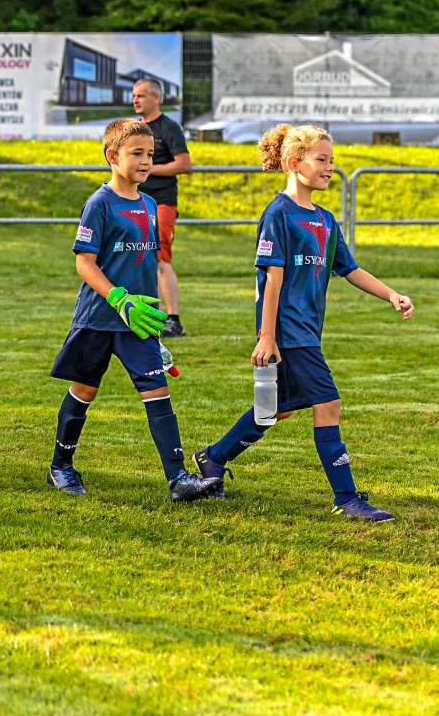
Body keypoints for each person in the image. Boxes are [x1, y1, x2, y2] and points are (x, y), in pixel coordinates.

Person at [193, 124, 413, 521]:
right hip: (289, 332)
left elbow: (349, 268)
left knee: (277, 410)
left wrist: (391, 294)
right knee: (328, 404)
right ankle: (346, 498)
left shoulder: (326, 220)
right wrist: (267, 337)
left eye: (332, 160)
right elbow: (271, 280)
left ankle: (213, 458)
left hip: (307, 330)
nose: (330, 167)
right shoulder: (278, 214)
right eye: (322, 159)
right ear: (295, 163)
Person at [47, 118, 218, 503]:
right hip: (100, 317)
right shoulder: (99, 203)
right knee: (85, 389)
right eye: (136, 153)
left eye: (150, 154)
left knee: (157, 391)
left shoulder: (150, 204)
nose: (145, 161)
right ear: (112, 156)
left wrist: (153, 330)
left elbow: (147, 266)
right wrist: (119, 299)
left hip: (138, 323)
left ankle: (179, 481)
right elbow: (85, 263)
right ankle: (60, 466)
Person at [133, 78, 191, 337]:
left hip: (162, 203)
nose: (135, 100)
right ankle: (147, 315)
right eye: (134, 95)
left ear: (157, 98)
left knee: (160, 259)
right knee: (137, 259)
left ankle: (173, 320)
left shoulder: (169, 127)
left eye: (141, 95)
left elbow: (184, 164)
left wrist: (149, 168)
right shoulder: (135, 129)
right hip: (135, 203)